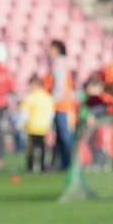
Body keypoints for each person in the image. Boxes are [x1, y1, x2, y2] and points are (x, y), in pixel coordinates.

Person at [46, 39, 77, 173]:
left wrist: (51, 102)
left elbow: (59, 86)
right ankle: (61, 163)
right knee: (60, 136)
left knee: (64, 136)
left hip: (62, 105)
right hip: (62, 104)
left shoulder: (59, 64)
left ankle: (67, 163)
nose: (48, 51)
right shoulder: (61, 63)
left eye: (51, 48)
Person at [21, 76, 55, 172]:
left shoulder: (31, 97)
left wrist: (22, 124)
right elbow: (51, 113)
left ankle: (30, 167)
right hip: (44, 127)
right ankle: (42, 166)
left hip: (33, 126)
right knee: (42, 148)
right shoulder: (47, 97)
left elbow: (24, 113)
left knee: (32, 148)